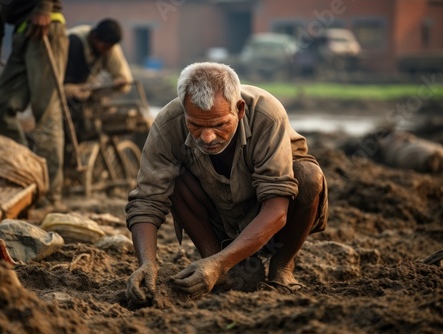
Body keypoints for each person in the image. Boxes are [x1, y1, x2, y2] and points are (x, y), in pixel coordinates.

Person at [125, 62, 328, 304]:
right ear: (184, 110)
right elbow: (147, 199)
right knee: (173, 178)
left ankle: (281, 267)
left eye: (219, 125)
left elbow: (276, 209)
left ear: (240, 109)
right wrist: (147, 263)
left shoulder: (267, 115)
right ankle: (215, 261)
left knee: (308, 176)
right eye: (195, 125)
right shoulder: (168, 123)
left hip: (269, 212)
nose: (207, 137)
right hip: (215, 209)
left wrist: (219, 264)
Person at [0, 0, 68, 209]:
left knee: (45, 112)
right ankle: (25, 174)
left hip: (45, 25)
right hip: (22, 32)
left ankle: (49, 194)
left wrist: (44, 6)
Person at [63, 18, 133, 129]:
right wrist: (73, 90)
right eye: (105, 47)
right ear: (94, 38)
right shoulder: (73, 42)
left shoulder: (110, 46)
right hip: (62, 92)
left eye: (110, 47)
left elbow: (124, 77)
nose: (107, 51)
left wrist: (120, 81)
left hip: (85, 94)